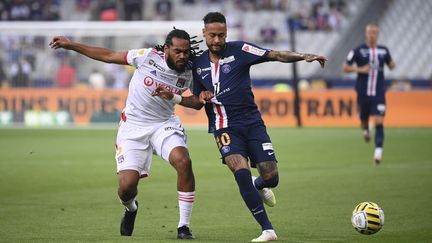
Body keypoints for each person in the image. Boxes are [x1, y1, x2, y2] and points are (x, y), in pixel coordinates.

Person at [152, 12, 327, 242]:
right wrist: (181, 97)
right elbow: (195, 102)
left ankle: (260, 184)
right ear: (204, 33)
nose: (217, 40)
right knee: (240, 171)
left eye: (221, 35)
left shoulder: (241, 51)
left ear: (227, 34)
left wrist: (304, 56)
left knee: (271, 177)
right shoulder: (198, 65)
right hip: (224, 128)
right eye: (212, 35)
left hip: (253, 124)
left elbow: (274, 54)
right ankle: (267, 230)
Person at [49, 29, 208, 240]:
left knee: (184, 162)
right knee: (126, 187)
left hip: (163, 124)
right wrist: (71, 45)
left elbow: (197, 103)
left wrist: (175, 98)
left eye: (186, 52)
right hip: (133, 127)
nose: (182, 56)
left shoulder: (191, 71)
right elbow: (108, 55)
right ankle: (131, 208)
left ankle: (183, 227)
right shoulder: (147, 57)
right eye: (178, 51)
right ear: (167, 49)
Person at [343, 23, 395, 165]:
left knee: (379, 121)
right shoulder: (358, 50)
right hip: (363, 92)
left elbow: (391, 64)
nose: (372, 35)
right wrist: (360, 69)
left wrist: (392, 65)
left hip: (379, 93)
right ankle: (366, 130)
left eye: (374, 32)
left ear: (377, 34)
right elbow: (345, 67)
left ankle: (378, 152)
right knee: (364, 120)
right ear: (366, 34)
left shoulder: (384, 51)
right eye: (370, 32)